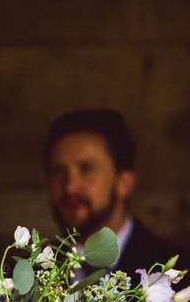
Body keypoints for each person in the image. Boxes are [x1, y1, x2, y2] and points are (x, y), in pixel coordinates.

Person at [43, 108, 187, 278]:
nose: (70, 187)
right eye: (59, 172)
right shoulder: (33, 275)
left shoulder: (178, 273)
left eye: (86, 170)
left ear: (124, 183)